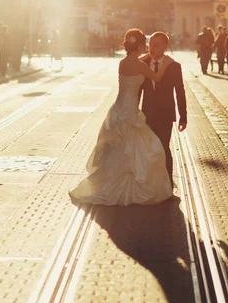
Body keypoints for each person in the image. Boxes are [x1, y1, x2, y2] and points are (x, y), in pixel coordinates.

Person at [69, 29, 174, 206]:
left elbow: (134, 67)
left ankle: (109, 184)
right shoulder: (141, 66)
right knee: (147, 149)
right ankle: (136, 188)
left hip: (118, 110)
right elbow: (157, 77)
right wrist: (167, 63)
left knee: (116, 150)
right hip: (131, 112)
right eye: (144, 45)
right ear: (140, 46)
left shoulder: (122, 63)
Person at [140, 31, 187, 184]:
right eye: (150, 44)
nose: (151, 48)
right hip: (147, 114)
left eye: (156, 45)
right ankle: (150, 181)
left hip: (165, 114)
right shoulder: (144, 64)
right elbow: (137, 91)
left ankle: (167, 182)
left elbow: (180, 92)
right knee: (148, 149)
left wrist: (183, 117)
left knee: (164, 148)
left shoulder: (174, 66)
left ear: (165, 47)